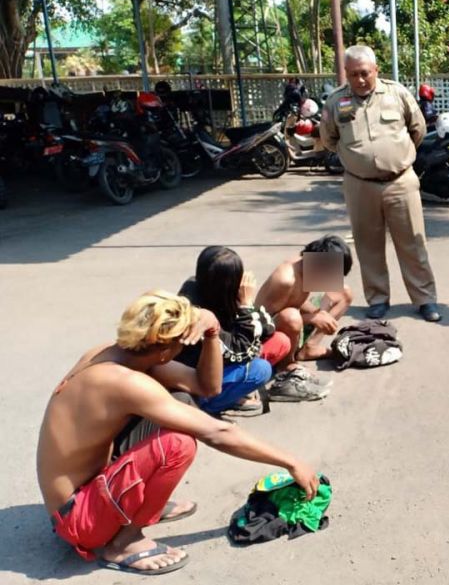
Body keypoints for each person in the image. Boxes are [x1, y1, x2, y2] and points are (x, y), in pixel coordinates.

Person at [37, 291, 318, 574]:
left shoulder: (118, 354)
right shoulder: (125, 382)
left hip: (84, 493)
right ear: (163, 352)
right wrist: (290, 461)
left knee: (180, 404)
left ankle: (137, 504)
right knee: (179, 443)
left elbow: (207, 387)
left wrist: (211, 333)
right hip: (78, 520)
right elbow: (217, 431)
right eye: (182, 344)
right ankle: (124, 542)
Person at [319, 45, 441, 323]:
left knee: (413, 243)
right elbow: (328, 139)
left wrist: (396, 156)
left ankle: (425, 299)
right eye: (353, 75)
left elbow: (417, 128)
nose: (360, 80)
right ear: (346, 75)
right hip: (359, 185)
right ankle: (377, 298)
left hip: (400, 181)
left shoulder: (396, 93)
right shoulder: (336, 102)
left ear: (376, 70)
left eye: (364, 73)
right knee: (368, 245)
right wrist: (357, 159)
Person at [177, 246, 292, 415]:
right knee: (261, 369)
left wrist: (246, 305)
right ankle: (212, 403)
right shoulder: (198, 316)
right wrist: (245, 305)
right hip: (201, 382)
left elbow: (268, 328)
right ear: (228, 283)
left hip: (227, 357)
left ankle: (235, 390)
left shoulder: (214, 291)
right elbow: (240, 351)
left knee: (281, 341)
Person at [255, 235, 353, 401]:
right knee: (292, 317)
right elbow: (265, 322)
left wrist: (317, 313)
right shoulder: (286, 279)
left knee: (343, 292)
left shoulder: (306, 268)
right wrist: (313, 318)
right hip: (267, 336)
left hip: (294, 325)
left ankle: (309, 348)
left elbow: (296, 301)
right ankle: (286, 364)